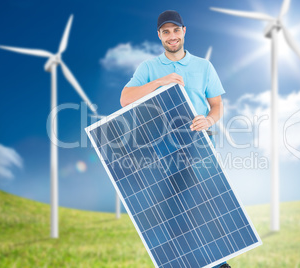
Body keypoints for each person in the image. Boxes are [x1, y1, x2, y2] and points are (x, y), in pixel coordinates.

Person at [120, 10, 230, 268]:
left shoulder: (204, 66)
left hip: (199, 147)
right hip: (162, 151)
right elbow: (125, 98)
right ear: (159, 35)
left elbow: (216, 105)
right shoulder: (149, 68)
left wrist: (210, 120)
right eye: (166, 31)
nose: (172, 36)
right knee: (171, 215)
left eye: (176, 30)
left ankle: (218, 263)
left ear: (184, 31)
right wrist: (160, 82)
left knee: (204, 209)